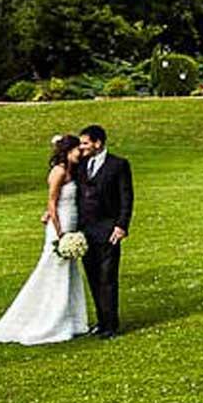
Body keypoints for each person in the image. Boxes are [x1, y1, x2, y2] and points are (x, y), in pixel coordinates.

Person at [0, 135, 89, 345]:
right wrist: (60, 233)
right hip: (60, 225)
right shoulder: (59, 171)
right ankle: (47, 319)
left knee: (69, 271)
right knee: (52, 269)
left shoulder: (74, 170)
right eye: (77, 150)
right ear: (68, 151)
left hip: (72, 222)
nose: (81, 153)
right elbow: (52, 203)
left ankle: (71, 319)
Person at [73, 123, 134, 338]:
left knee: (108, 278)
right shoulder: (81, 164)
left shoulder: (118, 165)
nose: (82, 147)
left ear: (98, 143)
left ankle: (111, 325)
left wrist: (122, 226)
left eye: (85, 143)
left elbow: (126, 197)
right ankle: (100, 321)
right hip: (85, 231)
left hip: (109, 230)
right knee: (92, 277)